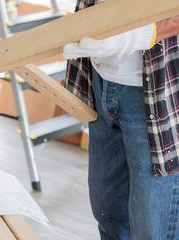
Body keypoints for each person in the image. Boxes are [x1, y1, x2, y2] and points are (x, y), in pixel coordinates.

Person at [63, 0, 179, 239]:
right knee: (109, 217)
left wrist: (141, 34)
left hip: (157, 91)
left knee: (151, 230)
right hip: (100, 77)